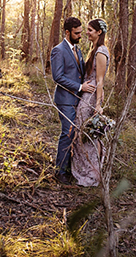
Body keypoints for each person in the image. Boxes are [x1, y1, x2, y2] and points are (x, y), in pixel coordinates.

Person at [51, 17, 96, 185]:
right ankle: (59, 172)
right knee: (67, 132)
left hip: (78, 100)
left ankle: (70, 167)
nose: (80, 35)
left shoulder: (78, 50)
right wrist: (80, 87)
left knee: (76, 134)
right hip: (65, 100)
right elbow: (58, 77)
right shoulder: (58, 50)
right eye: (76, 33)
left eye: (80, 32)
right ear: (67, 32)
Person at [71, 19, 110, 187]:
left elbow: (100, 80)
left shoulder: (101, 51)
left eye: (90, 30)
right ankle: (84, 168)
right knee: (82, 131)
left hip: (92, 97)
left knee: (86, 133)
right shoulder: (93, 49)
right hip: (85, 94)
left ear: (99, 32)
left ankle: (92, 172)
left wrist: (98, 105)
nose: (87, 33)